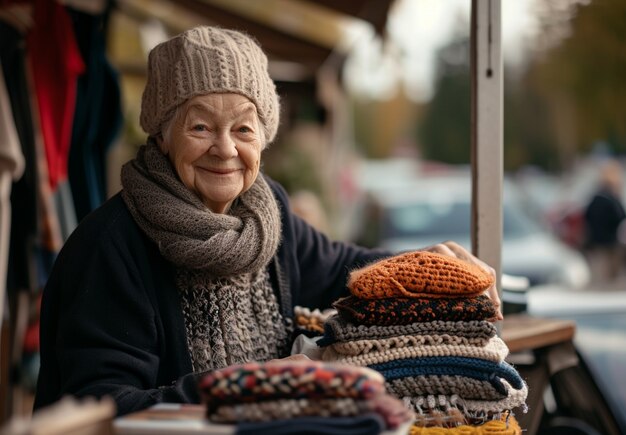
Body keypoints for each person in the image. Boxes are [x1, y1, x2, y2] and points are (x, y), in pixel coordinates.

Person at [33, 26, 502, 416]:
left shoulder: (266, 213)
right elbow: (102, 410)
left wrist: (426, 267)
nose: (225, 148)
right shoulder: (112, 246)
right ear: (161, 134)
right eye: (200, 127)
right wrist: (254, 386)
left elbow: (343, 269)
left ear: (264, 135)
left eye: (243, 128)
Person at [583, 159, 626, 285]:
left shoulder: (595, 199)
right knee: (611, 275)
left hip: (597, 241)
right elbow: (620, 216)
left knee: (601, 274)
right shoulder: (611, 200)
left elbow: (587, 216)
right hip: (610, 241)